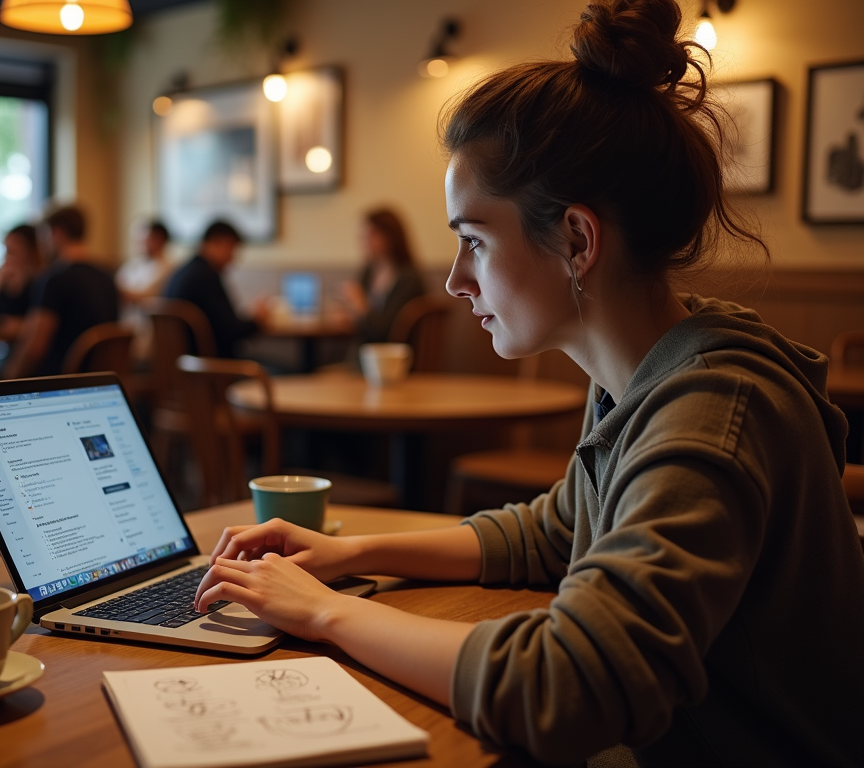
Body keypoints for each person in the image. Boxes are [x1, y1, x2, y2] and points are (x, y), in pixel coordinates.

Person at [192, 2, 864, 766]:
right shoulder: (651, 373)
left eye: (474, 242)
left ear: (577, 239)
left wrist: (325, 615)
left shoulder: (710, 414)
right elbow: (556, 529)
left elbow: (569, 687)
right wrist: (349, 556)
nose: (454, 280)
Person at [3, 205, 118, 378]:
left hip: (60, 382)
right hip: (101, 380)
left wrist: (7, 378)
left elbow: (35, 348)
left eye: (44, 235)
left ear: (57, 233)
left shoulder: (53, 279)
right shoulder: (107, 277)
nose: (42, 244)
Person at [162, 220, 264, 358]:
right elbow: (231, 332)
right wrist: (257, 319)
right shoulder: (205, 277)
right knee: (285, 370)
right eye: (231, 249)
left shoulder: (183, 271)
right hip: (210, 368)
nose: (232, 259)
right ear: (217, 243)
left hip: (181, 366)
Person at [340, 207, 426, 345]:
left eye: (371, 235)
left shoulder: (409, 279)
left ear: (390, 236)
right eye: (362, 236)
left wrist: (360, 306)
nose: (364, 242)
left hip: (394, 356)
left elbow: (385, 332)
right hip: (366, 353)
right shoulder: (368, 272)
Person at [116, 219, 174, 305]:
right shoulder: (133, 262)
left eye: (144, 239)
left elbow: (146, 295)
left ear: (158, 240)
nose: (138, 243)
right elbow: (118, 282)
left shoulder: (167, 267)